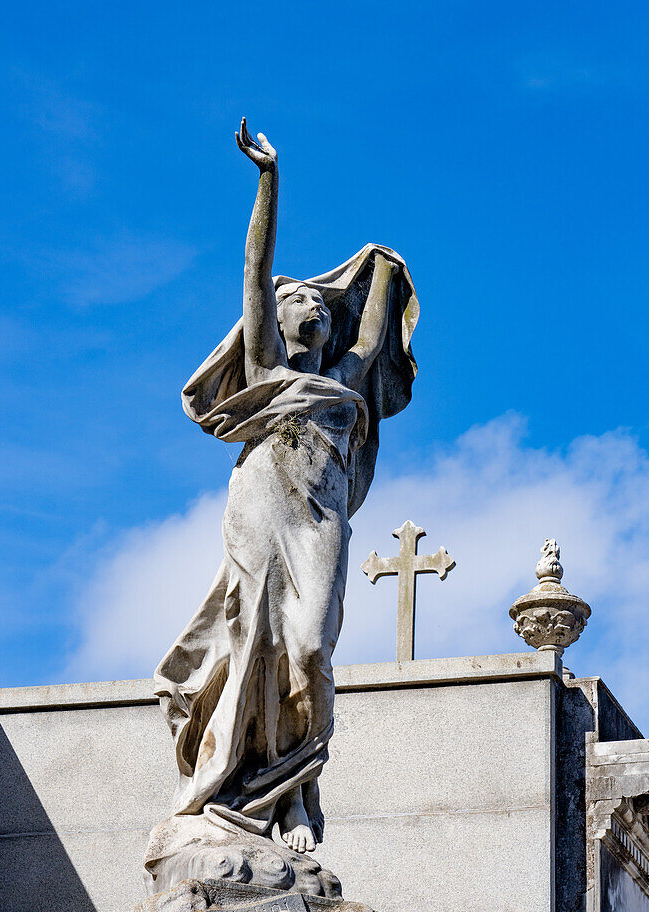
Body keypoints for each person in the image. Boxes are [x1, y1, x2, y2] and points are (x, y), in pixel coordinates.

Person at [153, 120, 419, 858]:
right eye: (301, 301)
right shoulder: (270, 369)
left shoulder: (342, 378)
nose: (311, 309)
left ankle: (298, 787)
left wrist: (385, 273)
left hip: (319, 517)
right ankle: (272, 799)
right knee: (253, 648)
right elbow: (253, 268)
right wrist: (268, 181)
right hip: (259, 506)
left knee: (308, 651)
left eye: (318, 306)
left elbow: (371, 329)